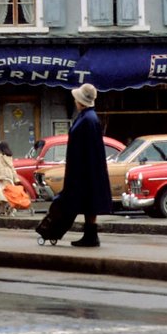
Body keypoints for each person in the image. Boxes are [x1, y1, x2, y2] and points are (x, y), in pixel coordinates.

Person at [58, 83, 111, 247]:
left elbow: (87, 147)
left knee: (89, 200)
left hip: (86, 168)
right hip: (86, 167)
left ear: (80, 100)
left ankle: (91, 236)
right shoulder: (87, 117)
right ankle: (90, 234)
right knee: (88, 201)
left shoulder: (88, 119)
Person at [0, 140, 18, 216]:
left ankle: (2, 210)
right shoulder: (9, 155)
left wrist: (0, 176)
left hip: (2, 175)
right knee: (9, 192)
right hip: (9, 174)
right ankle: (10, 207)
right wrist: (15, 177)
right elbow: (12, 166)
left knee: (1, 194)